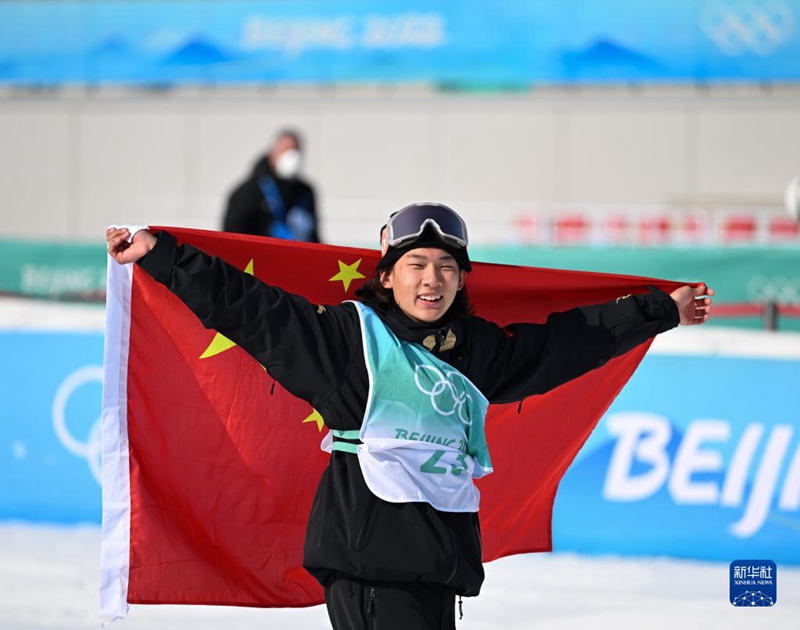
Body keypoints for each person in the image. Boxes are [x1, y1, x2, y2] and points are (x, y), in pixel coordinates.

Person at [106, 203, 713, 630]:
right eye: (417, 265)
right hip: (370, 567)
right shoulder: (350, 343)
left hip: (434, 567)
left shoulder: (476, 350)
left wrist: (658, 311)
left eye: (447, 268)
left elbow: (563, 343)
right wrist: (162, 255)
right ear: (388, 274)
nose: (433, 280)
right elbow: (252, 310)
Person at [222, 129, 320, 242]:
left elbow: (315, 236)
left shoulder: (305, 192)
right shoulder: (247, 192)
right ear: (273, 153)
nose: (292, 156)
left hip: (297, 256)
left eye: (296, 150)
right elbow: (232, 236)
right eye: (286, 150)